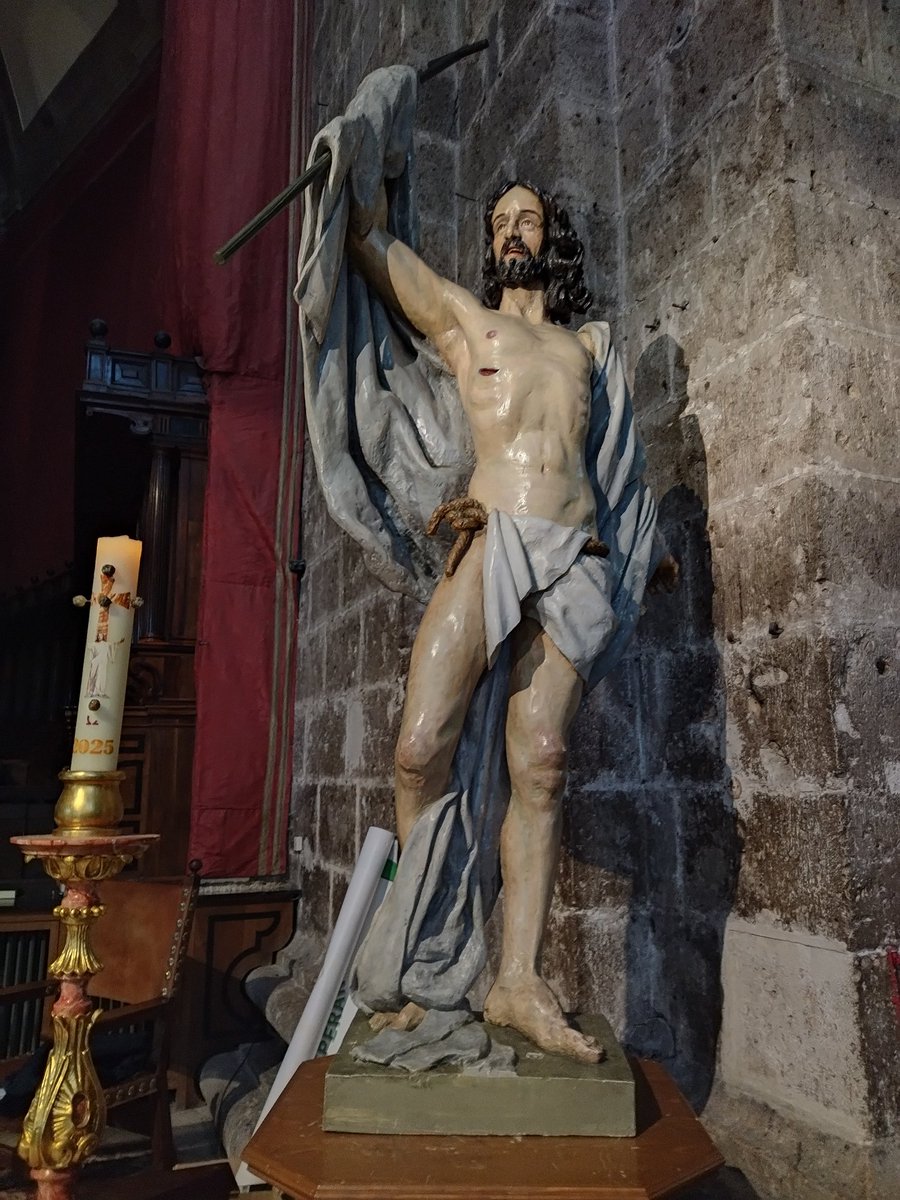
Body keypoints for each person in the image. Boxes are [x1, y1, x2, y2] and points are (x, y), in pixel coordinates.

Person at [295, 66, 675, 1068]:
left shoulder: (591, 347)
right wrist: (349, 153)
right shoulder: (471, 327)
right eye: (502, 217)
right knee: (420, 747)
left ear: (553, 238)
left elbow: (623, 474)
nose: (515, 229)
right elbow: (375, 246)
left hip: (577, 548)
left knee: (540, 762)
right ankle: (426, 955)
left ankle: (516, 978)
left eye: (529, 217)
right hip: (495, 535)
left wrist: (646, 552)